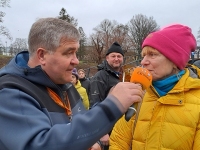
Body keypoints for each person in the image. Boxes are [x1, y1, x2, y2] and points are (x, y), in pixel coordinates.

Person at [0, 17, 144, 150]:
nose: (76, 61)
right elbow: (41, 145)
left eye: (76, 53)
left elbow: (77, 127)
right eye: (68, 53)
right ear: (42, 55)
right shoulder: (12, 93)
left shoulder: (65, 84)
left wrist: (93, 140)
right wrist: (111, 107)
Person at [109, 24, 200, 150]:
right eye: (144, 55)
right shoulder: (139, 93)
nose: (143, 62)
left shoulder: (197, 101)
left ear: (174, 61)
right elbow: (118, 141)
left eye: (152, 54)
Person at [90, 41, 124, 150]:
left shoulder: (118, 76)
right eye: (113, 56)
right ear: (107, 58)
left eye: (119, 56)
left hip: (118, 129)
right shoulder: (100, 76)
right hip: (106, 131)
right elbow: (95, 105)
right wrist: (102, 132)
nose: (116, 58)